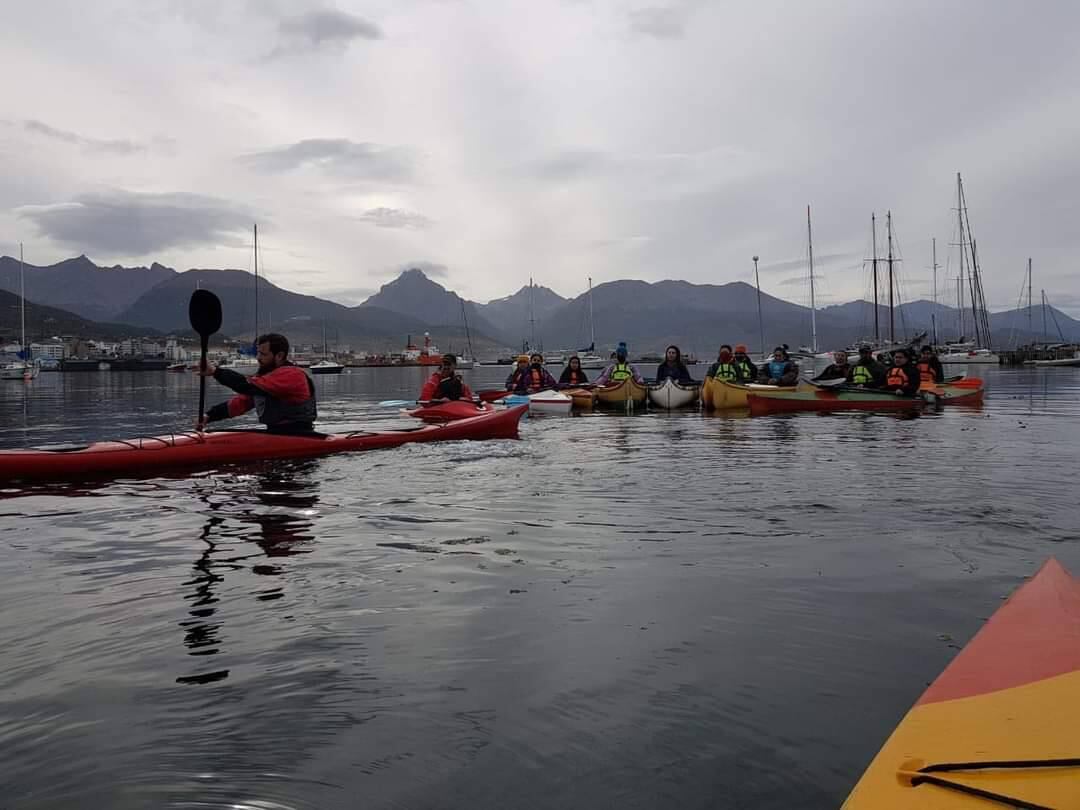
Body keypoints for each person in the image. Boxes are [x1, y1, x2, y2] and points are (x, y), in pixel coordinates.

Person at [198, 333, 316, 434]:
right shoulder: (267, 379)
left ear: (279, 356)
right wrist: (209, 416)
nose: (258, 358)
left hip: (299, 434)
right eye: (258, 353)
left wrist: (215, 372)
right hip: (275, 434)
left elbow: (246, 386)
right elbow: (242, 402)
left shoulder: (292, 375)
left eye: (263, 354)